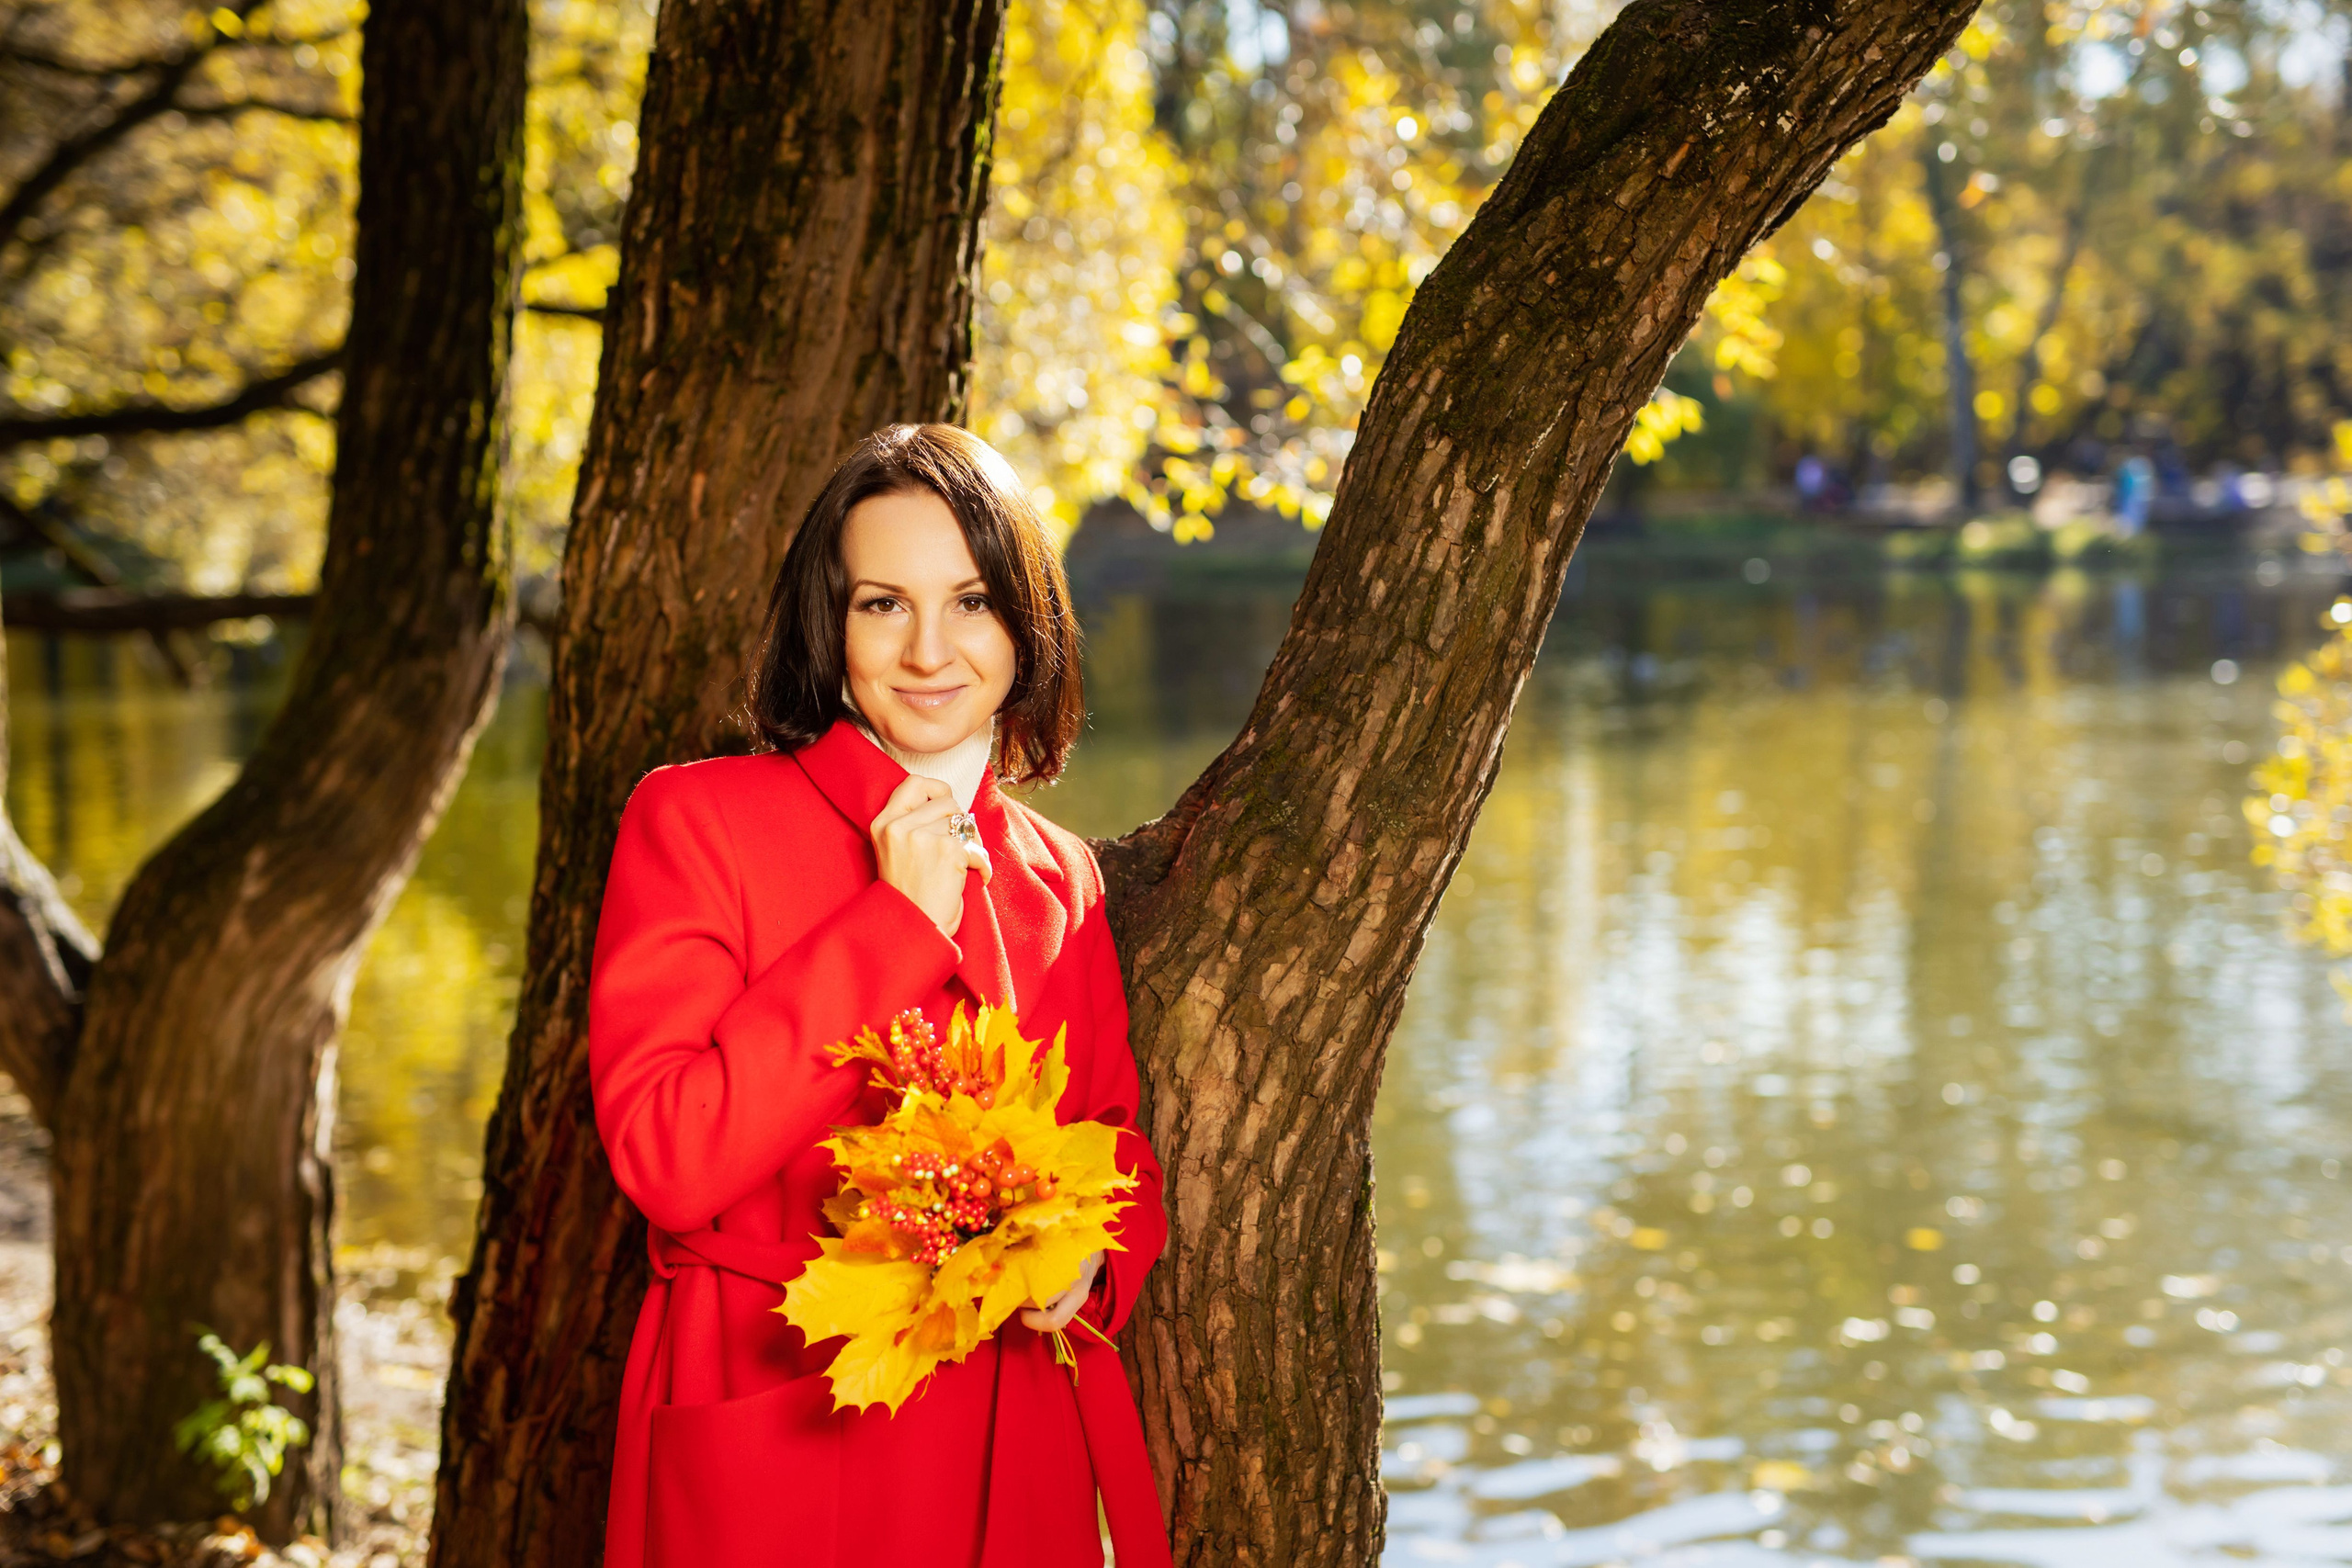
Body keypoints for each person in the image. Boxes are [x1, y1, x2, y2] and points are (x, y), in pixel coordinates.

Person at [588, 424, 1171, 1568]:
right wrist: (896, 923)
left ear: (1026, 625)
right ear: (830, 621)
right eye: (882, 604)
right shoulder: (696, 819)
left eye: (971, 602)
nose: (928, 651)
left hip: (1009, 1433)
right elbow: (667, 1157)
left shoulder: (1059, 873)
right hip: (778, 1408)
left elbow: (1110, 1140)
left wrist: (1095, 1259)